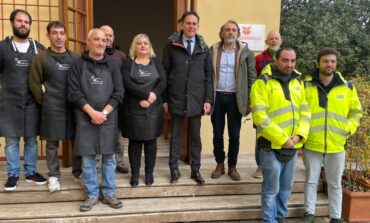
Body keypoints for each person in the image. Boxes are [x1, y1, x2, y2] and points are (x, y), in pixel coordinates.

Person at [301, 48, 362, 223]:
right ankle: (308, 214)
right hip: (312, 142)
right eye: (326, 61)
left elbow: (356, 112)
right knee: (310, 181)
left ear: (336, 63)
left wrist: (348, 129)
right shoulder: (306, 86)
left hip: (337, 143)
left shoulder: (348, 87)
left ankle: (336, 217)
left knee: (335, 184)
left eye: (333, 61)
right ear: (318, 63)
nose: (330, 64)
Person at [251, 48, 311, 223]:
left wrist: (299, 135)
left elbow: (305, 112)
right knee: (271, 189)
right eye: (285, 60)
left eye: (293, 61)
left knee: (286, 188)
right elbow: (260, 116)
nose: (289, 65)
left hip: (292, 145)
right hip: (270, 146)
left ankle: (280, 218)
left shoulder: (298, 83)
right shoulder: (262, 82)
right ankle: (269, 220)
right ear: (276, 60)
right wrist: (282, 138)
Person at [68, 29, 124, 212]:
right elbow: (74, 93)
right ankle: (91, 194)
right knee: (88, 159)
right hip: (85, 117)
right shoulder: (78, 65)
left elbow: (118, 93)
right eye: (97, 39)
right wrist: (92, 112)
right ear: (88, 42)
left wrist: (104, 113)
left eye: (103, 40)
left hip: (108, 118)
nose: (101, 43)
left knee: (109, 158)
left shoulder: (113, 65)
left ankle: (109, 192)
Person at [28, 21, 82, 192]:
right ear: (48, 36)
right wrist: (45, 101)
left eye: (61, 33)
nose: (59, 37)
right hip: (52, 106)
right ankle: (53, 176)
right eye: (54, 33)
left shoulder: (75, 58)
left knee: (77, 141)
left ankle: (78, 173)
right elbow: (34, 83)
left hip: (73, 106)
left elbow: (83, 82)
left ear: (65, 36)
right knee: (52, 144)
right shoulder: (41, 58)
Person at [162, 11, 213, 185]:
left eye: (194, 23)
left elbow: (208, 76)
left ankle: (195, 170)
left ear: (198, 26)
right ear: (181, 25)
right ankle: (174, 169)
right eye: (188, 23)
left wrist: (208, 99)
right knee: (175, 136)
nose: (191, 26)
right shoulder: (171, 45)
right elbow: (164, 73)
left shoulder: (204, 48)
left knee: (195, 137)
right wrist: (164, 99)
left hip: (197, 99)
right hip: (176, 97)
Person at [0, 9, 47, 191]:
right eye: (19, 21)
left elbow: (47, 74)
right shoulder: (3, 47)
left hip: (32, 101)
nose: (23, 25)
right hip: (9, 100)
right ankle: (13, 174)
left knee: (31, 140)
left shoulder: (38, 48)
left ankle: (30, 172)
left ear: (30, 25)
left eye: (26, 22)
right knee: (11, 140)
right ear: (12, 23)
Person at [210, 20, 256, 181]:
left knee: (234, 135)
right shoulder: (213, 50)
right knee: (217, 134)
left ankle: (232, 166)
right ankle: (219, 164)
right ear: (222, 33)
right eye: (227, 30)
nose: (230, 32)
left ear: (238, 34)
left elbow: (252, 77)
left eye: (233, 30)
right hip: (217, 97)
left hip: (236, 98)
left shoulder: (245, 52)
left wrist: (250, 99)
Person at [121, 34, 166, 187]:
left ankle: (149, 174)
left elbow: (163, 81)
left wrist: (152, 96)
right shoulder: (128, 63)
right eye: (139, 43)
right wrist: (145, 96)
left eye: (145, 43)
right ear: (134, 46)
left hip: (153, 109)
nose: (142, 46)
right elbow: (126, 83)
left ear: (149, 46)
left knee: (150, 142)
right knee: (135, 142)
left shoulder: (156, 62)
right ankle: (134, 174)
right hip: (134, 108)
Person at [253, 30, 283, 179]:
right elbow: (253, 81)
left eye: (276, 38)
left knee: (279, 133)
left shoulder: (286, 58)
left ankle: (276, 165)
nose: (274, 41)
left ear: (281, 41)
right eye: (271, 39)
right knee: (261, 135)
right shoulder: (258, 58)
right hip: (262, 105)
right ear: (266, 42)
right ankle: (260, 166)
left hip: (280, 106)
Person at [99, 25, 129, 174]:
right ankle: (97, 160)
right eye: (104, 34)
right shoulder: (92, 55)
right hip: (97, 100)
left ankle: (119, 161)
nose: (107, 38)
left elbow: (126, 78)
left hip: (117, 100)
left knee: (118, 133)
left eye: (110, 35)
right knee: (97, 131)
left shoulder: (121, 56)